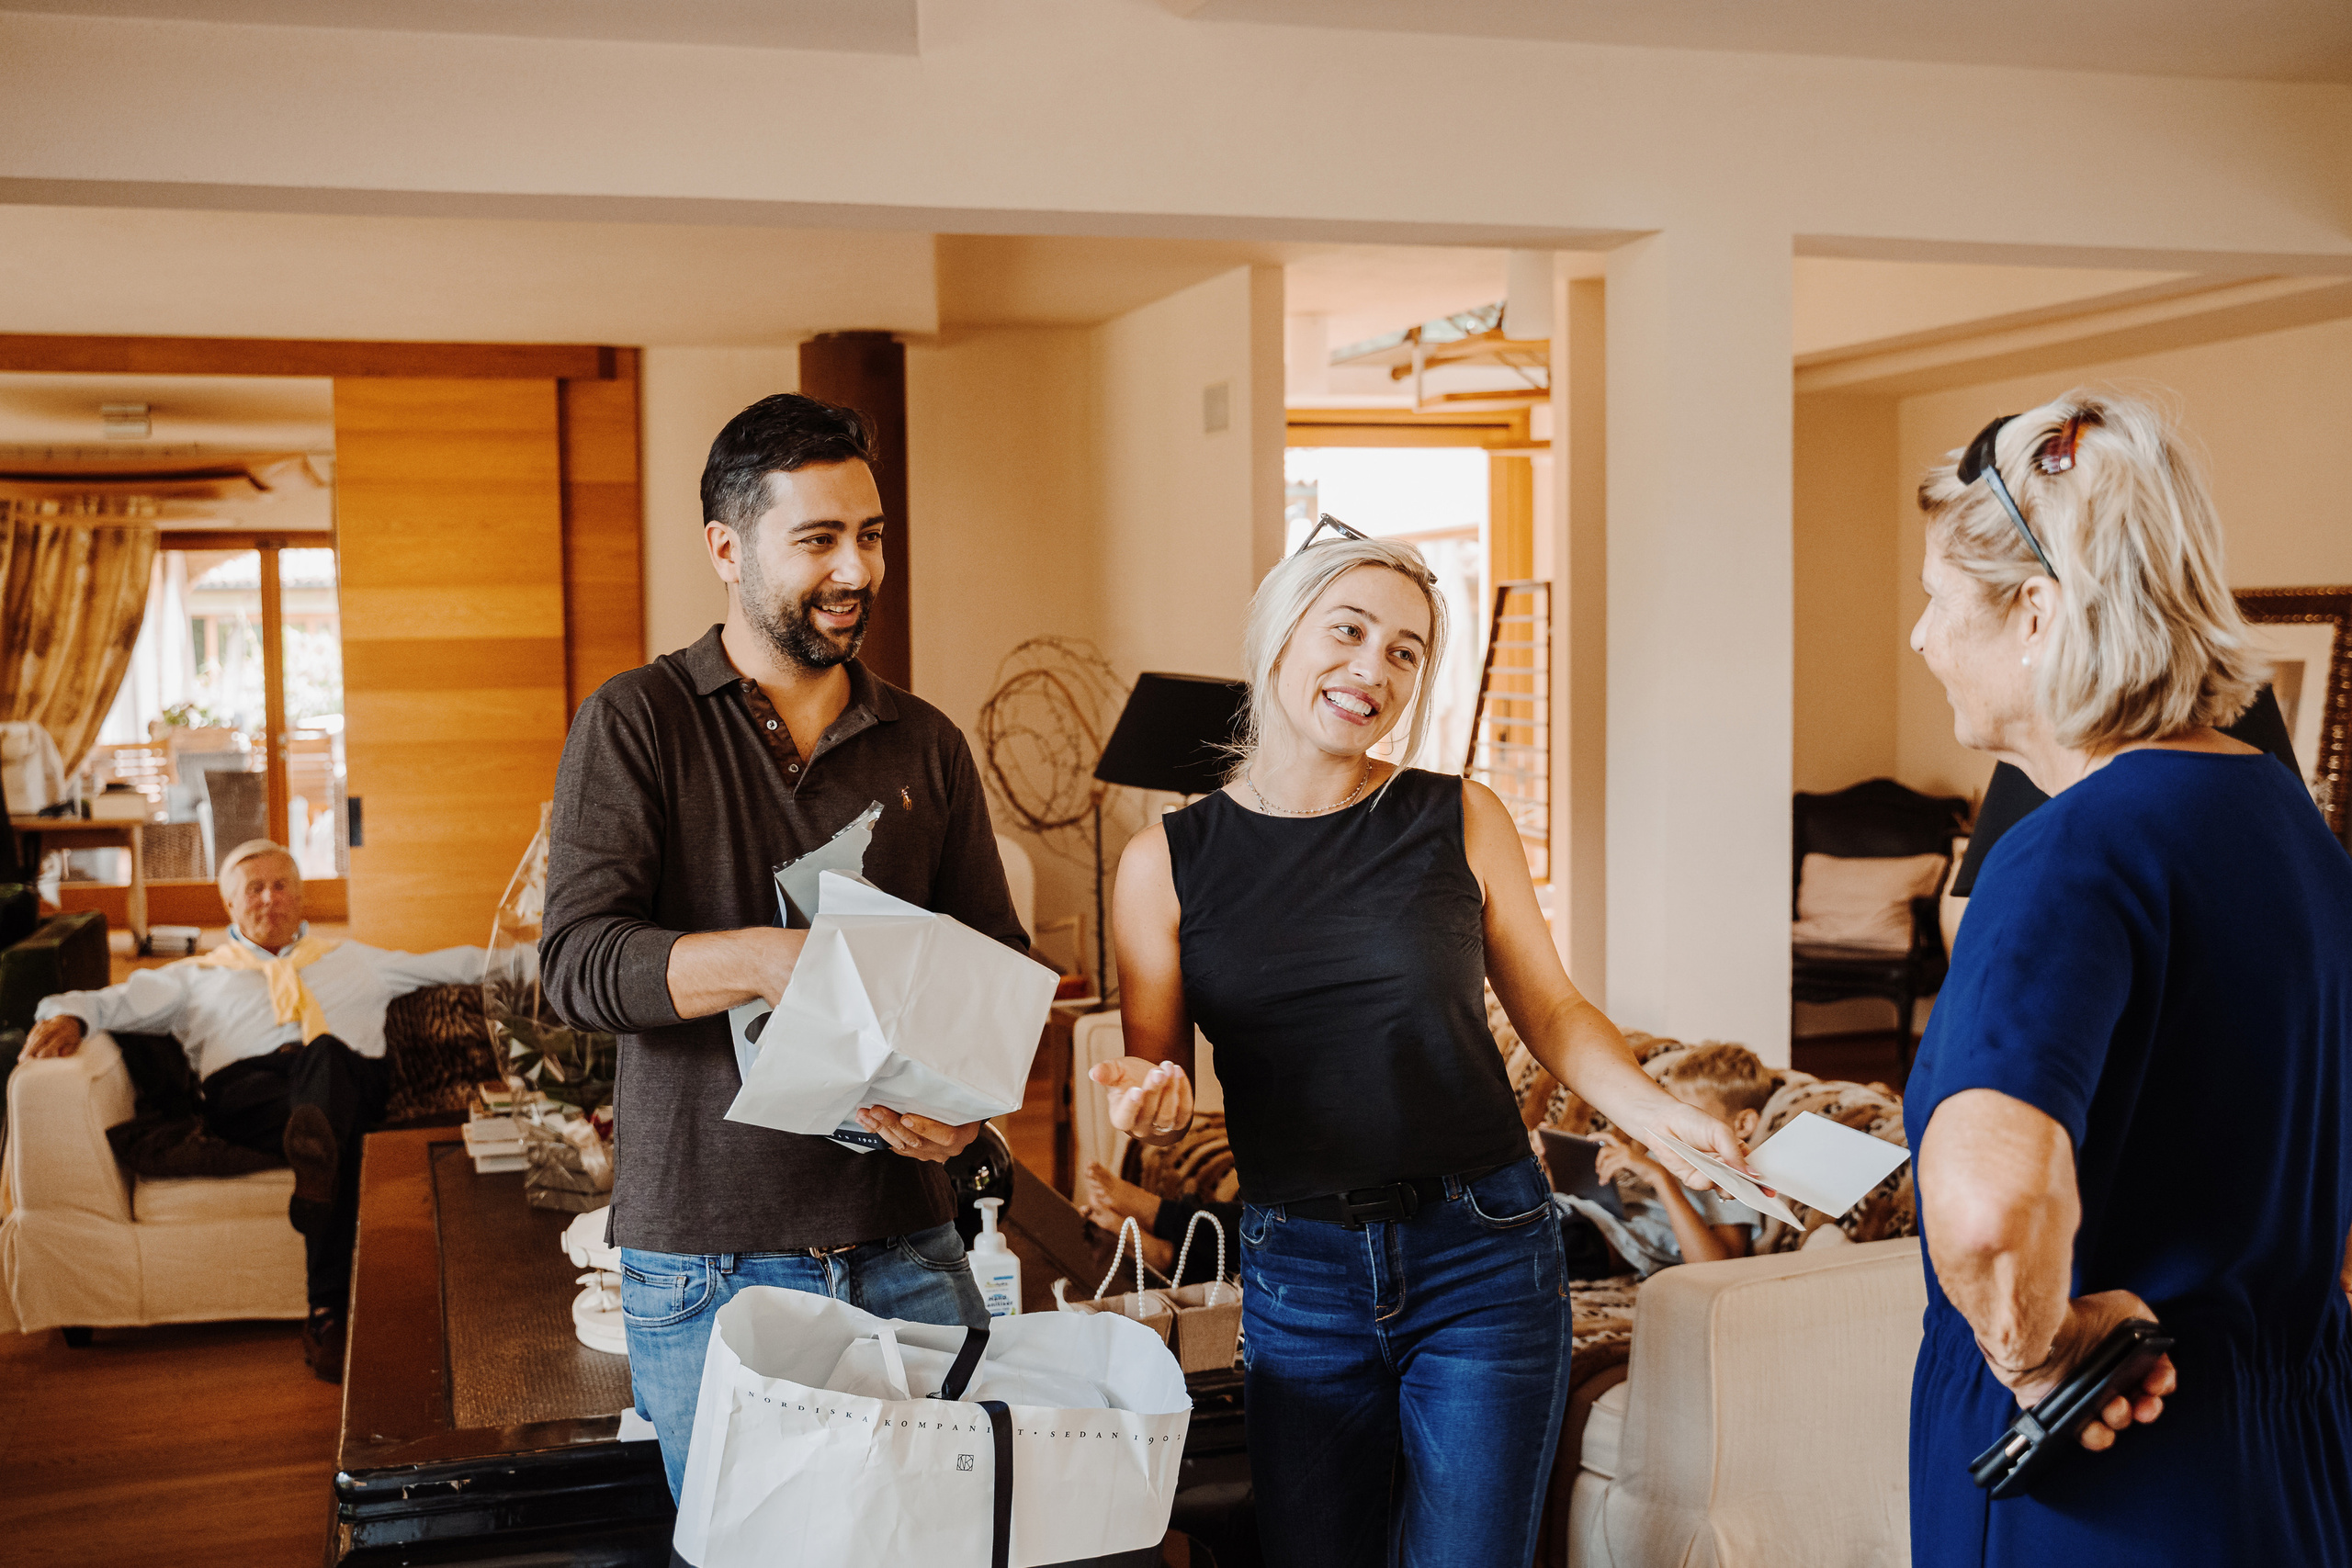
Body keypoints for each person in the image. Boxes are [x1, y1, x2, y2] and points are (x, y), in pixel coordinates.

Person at [1091, 521, 1753, 1568]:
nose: (1373, 669)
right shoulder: (1162, 863)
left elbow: (1554, 1011)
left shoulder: (1457, 816)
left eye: (1405, 651)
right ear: (1278, 637)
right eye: (1346, 632)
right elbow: (1157, 1065)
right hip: (1296, 1271)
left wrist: (1655, 1108)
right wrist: (1149, 1096)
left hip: (1482, 1254)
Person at [537, 392, 1029, 1500]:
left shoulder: (928, 742)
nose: (856, 569)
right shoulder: (635, 722)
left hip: (909, 1244)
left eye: (872, 535)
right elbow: (574, 966)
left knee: (946, 1540)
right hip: (707, 1266)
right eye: (818, 540)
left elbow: (992, 960)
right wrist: (766, 959)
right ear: (725, 546)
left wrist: (969, 1103)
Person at [1902, 389, 2352, 1565]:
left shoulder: (2066, 853)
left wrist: (2038, 1354)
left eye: (1939, 602)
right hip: (2291, 1458)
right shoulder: (2285, 824)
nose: (1920, 638)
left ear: (2037, 614)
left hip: (2110, 1485)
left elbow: (1991, 1210)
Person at [24, 838, 481, 1380]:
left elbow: (463, 962)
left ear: (301, 897)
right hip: (251, 1097)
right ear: (231, 905)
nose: (269, 898)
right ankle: (326, 1247)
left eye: (281, 885)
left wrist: (555, 953)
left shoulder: (355, 959)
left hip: (345, 1082)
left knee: (327, 1055)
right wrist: (69, 1017)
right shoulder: (193, 977)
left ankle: (327, 1294)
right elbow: (104, 1001)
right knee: (335, 1121)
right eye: (254, 889)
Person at [1566, 1043, 1770, 1276]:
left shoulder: (1734, 1176)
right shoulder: (1667, 1148)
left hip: (1593, 1236)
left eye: (1691, 1114)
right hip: (1573, 1211)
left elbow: (1718, 1266)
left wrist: (1660, 1178)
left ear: (1742, 1124)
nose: (1675, 1123)